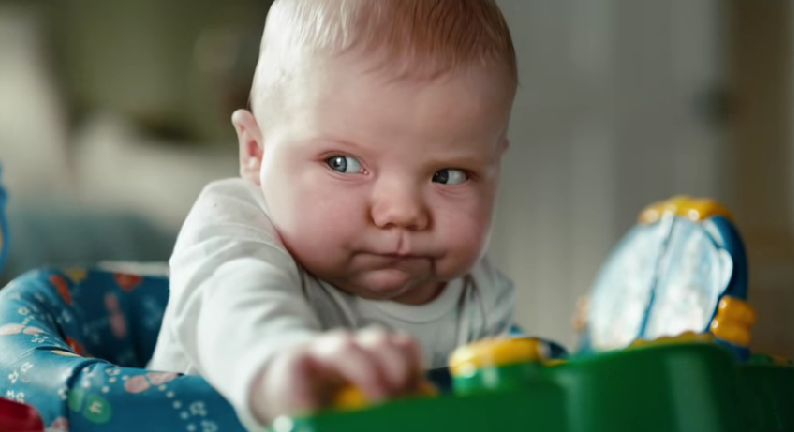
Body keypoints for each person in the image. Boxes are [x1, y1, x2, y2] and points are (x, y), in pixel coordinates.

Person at [148, 0, 519, 429]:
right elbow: (233, 302)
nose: (401, 213)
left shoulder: (480, 296)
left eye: (449, 174)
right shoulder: (235, 225)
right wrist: (282, 362)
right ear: (255, 151)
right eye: (342, 164)